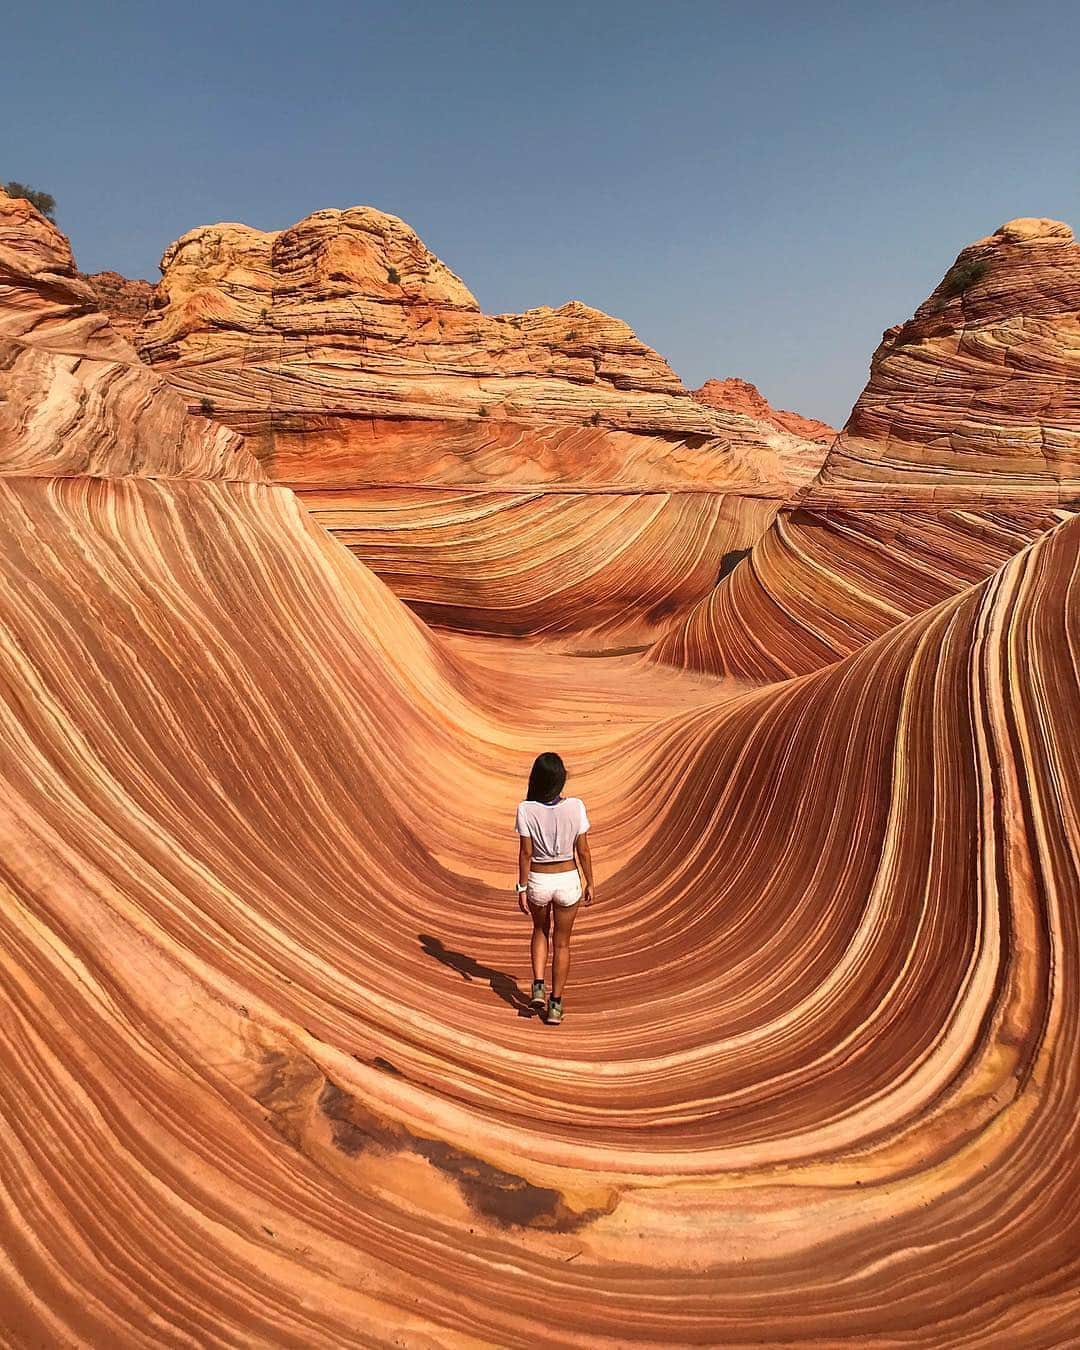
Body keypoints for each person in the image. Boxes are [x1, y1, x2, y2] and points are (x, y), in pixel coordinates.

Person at [514, 752, 593, 1025]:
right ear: (561, 780)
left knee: (539, 930)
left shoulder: (526, 809)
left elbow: (525, 853)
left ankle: (538, 985)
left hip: (538, 880)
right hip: (567, 879)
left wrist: (521, 888)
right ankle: (556, 1005)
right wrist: (590, 881)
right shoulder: (576, 806)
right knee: (562, 944)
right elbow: (582, 850)